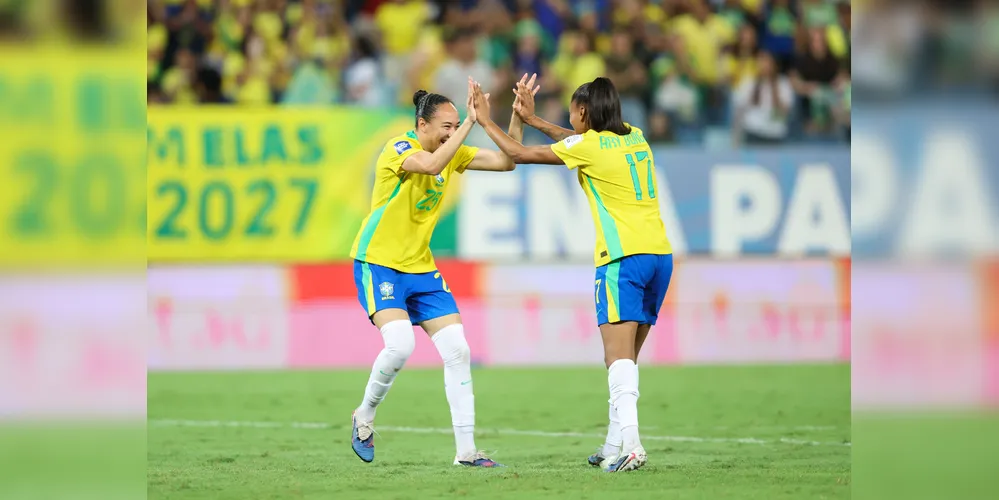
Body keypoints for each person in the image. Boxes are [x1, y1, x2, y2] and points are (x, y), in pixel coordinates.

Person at [471, 76, 673, 473]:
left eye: (571, 111)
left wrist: (485, 120)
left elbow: (517, 153)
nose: (568, 116)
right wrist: (532, 118)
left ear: (583, 112)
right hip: (659, 256)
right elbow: (576, 141)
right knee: (625, 360)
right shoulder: (635, 136)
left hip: (621, 259)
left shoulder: (590, 147)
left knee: (617, 360)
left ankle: (632, 446)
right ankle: (614, 443)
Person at [349, 76, 534, 468]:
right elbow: (432, 163)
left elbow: (507, 161)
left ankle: (466, 452)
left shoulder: (452, 152)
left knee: (458, 350)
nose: (452, 134)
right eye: (445, 128)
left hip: (420, 267)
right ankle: (364, 415)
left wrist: (509, 118)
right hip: (379, 262)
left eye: (455, 127)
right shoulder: (400, 147)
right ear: (422, 126)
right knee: (400, 345)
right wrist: (470, 121)